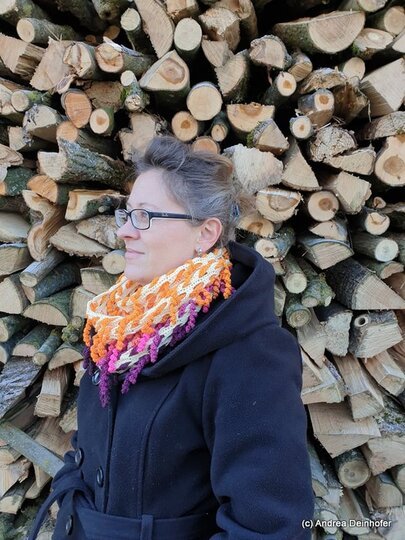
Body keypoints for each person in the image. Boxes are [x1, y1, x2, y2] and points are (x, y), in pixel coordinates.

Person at [29, 136, 314, 540]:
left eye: (144, 216)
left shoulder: (249, 353)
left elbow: (269, 528)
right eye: (127, 214)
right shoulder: (119, 327)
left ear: (205, 233)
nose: (124, 231)